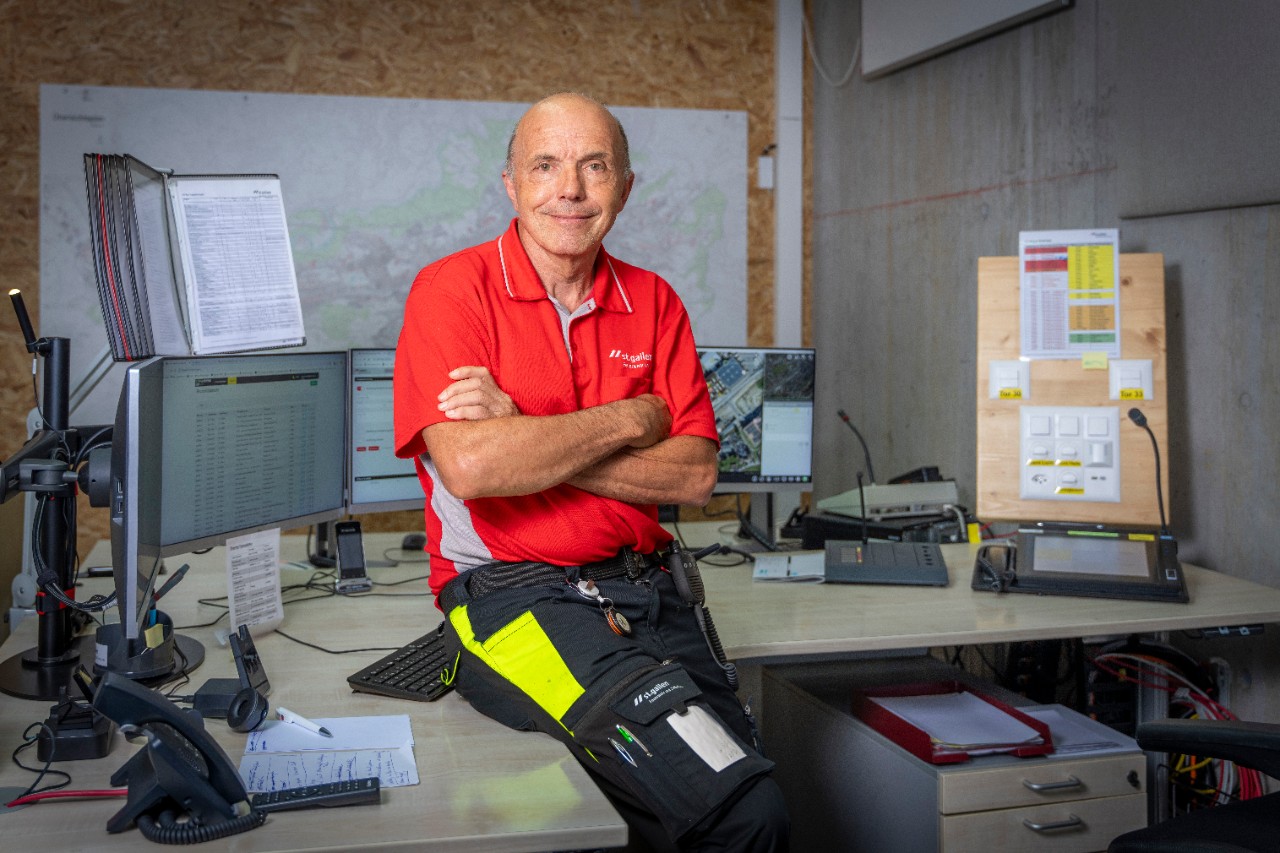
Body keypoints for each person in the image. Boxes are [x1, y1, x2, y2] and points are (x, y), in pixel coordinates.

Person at [393, 92, 789, 852]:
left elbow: (693, 476)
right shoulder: (451, 291)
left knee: (749, 772)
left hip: (647, 588)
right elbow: (474, 466)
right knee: (744, 812)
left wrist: (524, 433)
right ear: (510, 184)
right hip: (514, 600)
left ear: (626, 187)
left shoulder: (655, 301)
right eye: (544, 166)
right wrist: (633, 418)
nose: (569, 189)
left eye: (594, 166)